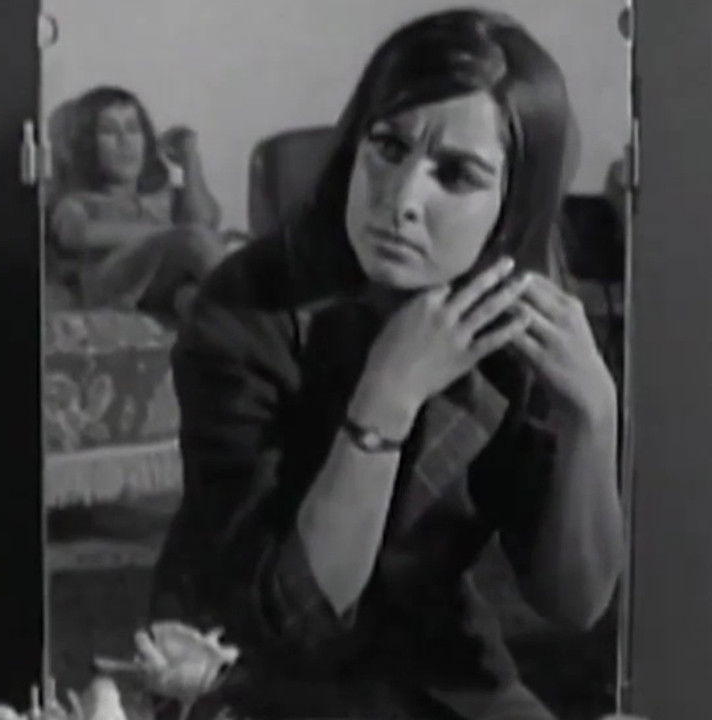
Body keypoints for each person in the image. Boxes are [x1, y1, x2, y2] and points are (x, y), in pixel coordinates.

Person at [150, 9, 625, 720]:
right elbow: (297, 618)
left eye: (456, 174)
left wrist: (594, 416)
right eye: (388, 147)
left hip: (434, 659)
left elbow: (573, 605)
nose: (401, 201)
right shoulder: (245, 307)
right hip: (241, 662)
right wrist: (387, 397)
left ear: (512, 206)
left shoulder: (516, 324)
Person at [48, 86, 230, 320]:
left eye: (133, 129)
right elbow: (78, 235)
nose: (125, 141)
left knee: (194, 296)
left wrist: (190, 159)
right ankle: (256, 313)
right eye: (109, 131)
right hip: (112, 283)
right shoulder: (79, 200)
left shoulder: (164, 197)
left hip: (161, 286)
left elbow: (205, 221)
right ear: (88, 144)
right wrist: (171, 234)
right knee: (195, 240)